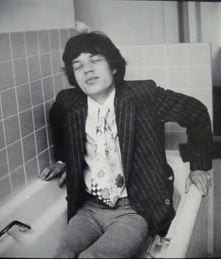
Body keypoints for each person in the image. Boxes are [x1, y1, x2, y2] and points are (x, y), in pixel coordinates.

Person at [40, 31, 213, 258]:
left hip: (134, 209)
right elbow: (58, 123)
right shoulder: (68, 102)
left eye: (95, 60)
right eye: (78, 65)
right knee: (64, 253)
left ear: (113, 67)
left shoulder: (143, 95)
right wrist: (63, 159)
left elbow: (196, 111)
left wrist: (198, 166)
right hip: (90, 207)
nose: (87, 70)